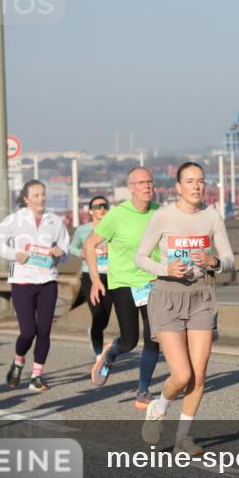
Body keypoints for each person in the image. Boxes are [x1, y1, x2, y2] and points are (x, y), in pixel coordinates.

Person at [138, 162, 234, 455]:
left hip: (200, 297)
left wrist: (213, 262)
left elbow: (230, 260)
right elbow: (140, 257)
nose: (196, 186)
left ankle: (183, 439)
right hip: (167, 296)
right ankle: (160, 406)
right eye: (190, 181)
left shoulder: (211, 216)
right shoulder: (162, 216)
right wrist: (164, 267)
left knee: (199, 375)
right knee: (181, 375)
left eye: (201, 181)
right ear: (178, 187)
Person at [83, 166, 161, 409]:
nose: (147, 186)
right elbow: (89, 245)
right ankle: (112, 352)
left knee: (153, 338)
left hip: (153, 282)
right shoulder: (116, 215)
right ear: (130, 188)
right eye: (141, 183)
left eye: (150, 182)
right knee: (130, 342)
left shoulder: (161, 213)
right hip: (124, 284)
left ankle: (143, 391)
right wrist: (96, 280)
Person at [0, 180, 70, 391]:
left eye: (43, 194)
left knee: (44, 330)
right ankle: (18, 361)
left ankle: (36, 376)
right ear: (26, 199)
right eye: (35, 195)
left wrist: (61, 253)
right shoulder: (14, 220)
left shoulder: (55, 221)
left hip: (47, 281)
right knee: (28, 332)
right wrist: (14, 255)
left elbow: (65, 249)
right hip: (23, 281)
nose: (41, 199)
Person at [69, 196, 114, 356]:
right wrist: (83, 252)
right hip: (90, 275)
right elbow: (71, 247)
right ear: (90, 211)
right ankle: (99, 354)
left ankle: (94, 332)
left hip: (110, 275)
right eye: (97, 206)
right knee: (97, 313)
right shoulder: (83, 230)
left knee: (105, 318)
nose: (102, 209)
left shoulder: (113, 228)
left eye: (105, 206)